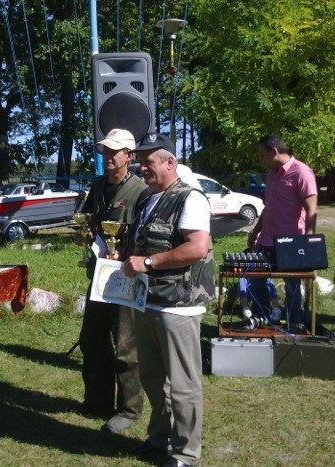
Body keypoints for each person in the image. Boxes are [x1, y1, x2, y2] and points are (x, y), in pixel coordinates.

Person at [122, 132, 215, 467]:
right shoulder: (148, 199)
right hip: (147, 302)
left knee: (182, 384)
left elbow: (196, 247)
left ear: (169, 162)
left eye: (148, 161)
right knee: (152, 378)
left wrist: (147, 263)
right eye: (140, 161)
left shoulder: (190, 199)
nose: (141, 167)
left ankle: (185, 453)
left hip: (179, 305)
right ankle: (160, 439)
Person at [75, 128, 151, 433]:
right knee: (92, 340)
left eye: (114, 151)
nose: (108, 156)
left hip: (126, 277)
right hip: (99, 276)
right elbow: (92, 222)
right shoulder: (97, 185)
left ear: (129, 156)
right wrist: (85, 234)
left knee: (125, 346)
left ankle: (129, 409)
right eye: (105, 151)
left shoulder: (142, 191)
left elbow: (147, 233)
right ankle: (97, 399)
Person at [247, 133, 318, 330]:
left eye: (262, 155)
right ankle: (260, 319)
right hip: (266, 239)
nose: (261, 160)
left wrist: (309, 242)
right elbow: (268, 207)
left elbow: (312, 209)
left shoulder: (301, 172)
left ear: (274, 151)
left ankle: (293, 322)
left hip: (291, 242)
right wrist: (255, 232)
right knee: (256, 278)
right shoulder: (271, 174)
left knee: (292, 286)